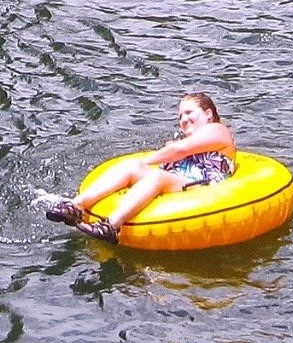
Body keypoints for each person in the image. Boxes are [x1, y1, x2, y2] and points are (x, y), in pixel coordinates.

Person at [46, 93, 237, 244]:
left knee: (157, 176)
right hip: (179, 182)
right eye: (180, 116)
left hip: (204, 188)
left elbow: (180, 150)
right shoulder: (188, 141)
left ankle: (111, 226)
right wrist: (145, 163)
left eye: (189, 112)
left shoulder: (218, 130)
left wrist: (149, 161)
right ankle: (75, 206)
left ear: (208, 114)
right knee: (131, 166)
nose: (183, 119)